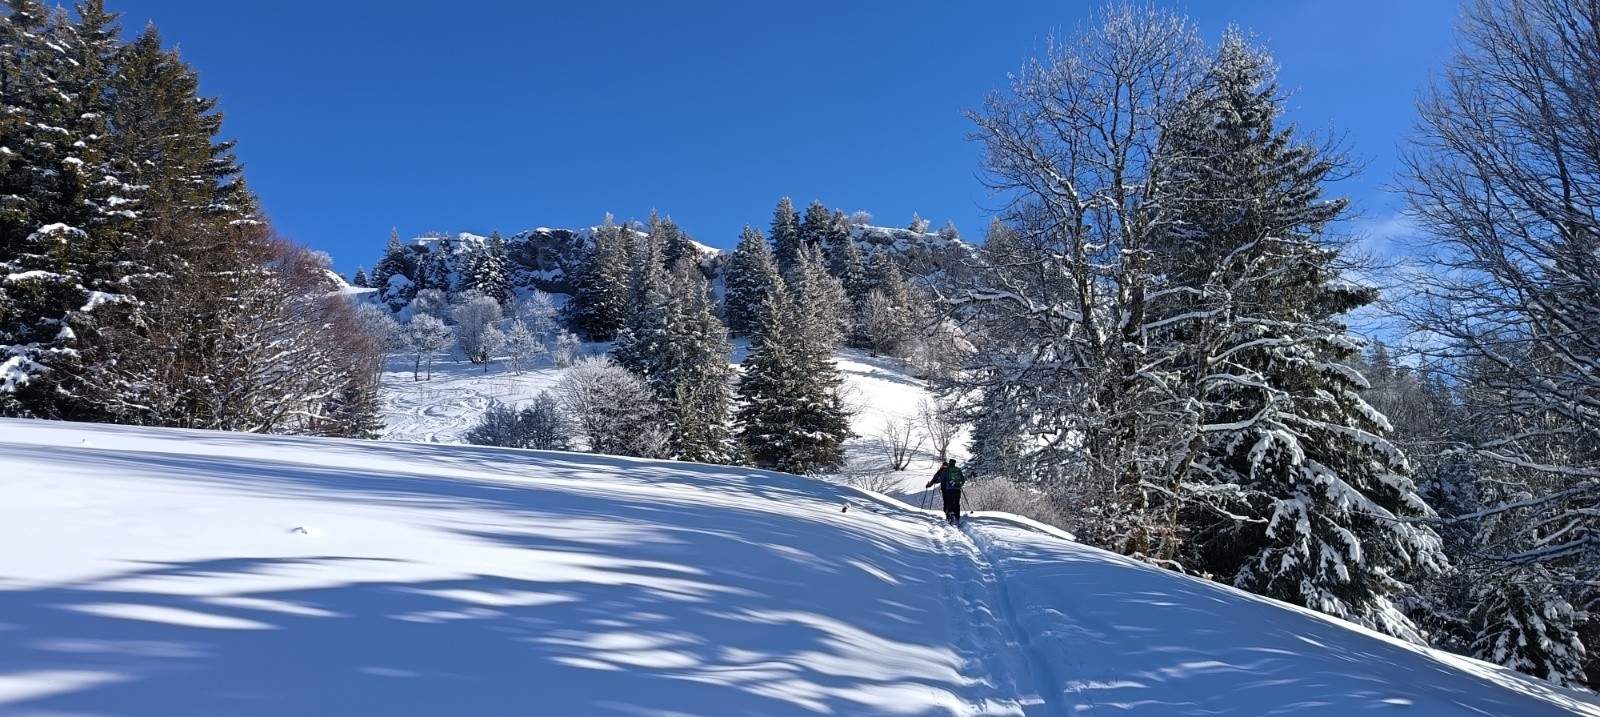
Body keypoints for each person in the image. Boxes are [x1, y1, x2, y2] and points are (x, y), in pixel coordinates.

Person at [925, 458, 965, 525]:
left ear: (949, 463)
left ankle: (950, 517)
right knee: (957, 503)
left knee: (949, 502)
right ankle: (957, 518)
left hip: (948, 489)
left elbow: (940, 479)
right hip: (957, 489)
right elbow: (963, 480)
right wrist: (959, 485)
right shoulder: (958, 470)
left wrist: (934, 481)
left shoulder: (946, 470)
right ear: (954, 463)